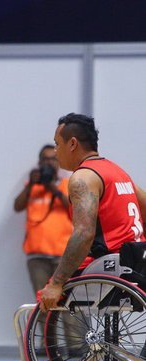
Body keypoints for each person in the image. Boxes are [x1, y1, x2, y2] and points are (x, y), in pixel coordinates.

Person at [40, 113, 146, 312]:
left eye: (57, 144)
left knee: (46, 296)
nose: (56, 151)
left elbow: (84, 234)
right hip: (137, 258)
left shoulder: (83, 177)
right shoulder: (116, 171)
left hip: (109, 263)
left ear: (72, 144)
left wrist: (56, 282)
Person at [14, 144, 72, 297]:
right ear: (39, 163)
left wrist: (53, 187)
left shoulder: (67, 185)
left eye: (53, 159)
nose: (49, 163)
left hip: (63, 256)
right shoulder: (33, 187)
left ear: (59, 162)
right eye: (45, 159)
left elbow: (72, 209)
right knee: (43, 305)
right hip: (37, 257)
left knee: (67, 305)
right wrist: (31, 184)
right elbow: (17, 206)